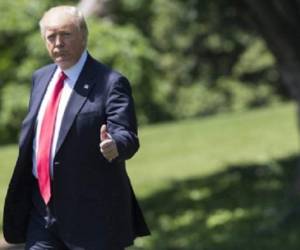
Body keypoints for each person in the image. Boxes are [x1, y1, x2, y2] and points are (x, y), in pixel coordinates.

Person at [2, 5, 150, 250]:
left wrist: (115, 145)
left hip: (92, 216)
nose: (58, 43)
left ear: (83, 34)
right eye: (51, 37)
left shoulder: (110, 82)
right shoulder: (40, 78)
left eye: (66, 34)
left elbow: (126, 134)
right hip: (42, 212)